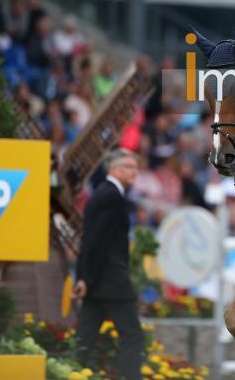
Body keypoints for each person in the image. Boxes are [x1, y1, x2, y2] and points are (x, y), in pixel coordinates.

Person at [73, 148, 144, 380]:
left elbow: (90, 241)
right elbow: (96, 242)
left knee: (83, 341)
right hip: (111, 282)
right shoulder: (111, 196)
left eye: (135, 167)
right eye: (129, 167)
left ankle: (65, 373)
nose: (135, 171)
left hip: (97, 283)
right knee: (132, 336)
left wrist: (84, 278)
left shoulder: (102, 194)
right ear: (114, 169)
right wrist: (86, 278)